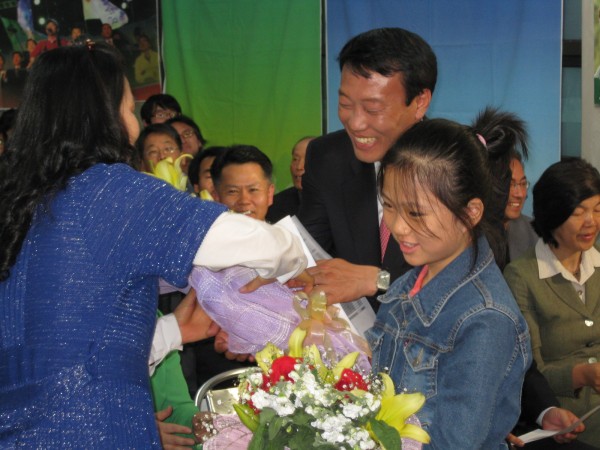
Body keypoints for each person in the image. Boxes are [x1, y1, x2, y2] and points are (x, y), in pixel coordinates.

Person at [0, 43, 310, 448]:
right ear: (107, 115)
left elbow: (73, 328)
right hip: (96, 430)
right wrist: (293, 260)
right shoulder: (112, 192)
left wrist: (177, 325)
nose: (134, 123)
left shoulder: (17, 204)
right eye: (130, 109)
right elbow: (266, 245)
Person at [366, 118, 531, 449]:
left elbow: (452, 442)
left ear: (470, 213)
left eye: (416, 213)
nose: (397, 226)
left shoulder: (486, 319)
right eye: (389, 206)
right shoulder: (409, 282)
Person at [297, 27, 436, 308]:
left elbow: (464, 278)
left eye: (373, 109)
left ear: (419, 102)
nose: (356, 123)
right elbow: (308, 256)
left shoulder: (457, 163)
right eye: (345, 104)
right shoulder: (327, 157)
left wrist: (378, 280)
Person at [504, 157, 600, 446]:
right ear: (553, 214)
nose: (591, 222)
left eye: (597, 209)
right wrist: (581, 374)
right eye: (578, 213)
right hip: (565, 425)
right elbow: (528, 372)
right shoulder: (522, 276)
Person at [211, 144, 275, 220]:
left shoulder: (283, 228)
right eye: (233, 191)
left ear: (269, 194)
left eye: (253, 190)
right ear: (216, 197)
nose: (244, 201)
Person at [266, 136, 314, 223]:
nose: (299, 167)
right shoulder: (275, 205)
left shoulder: (338, 203)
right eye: (295, 159)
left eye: (307, 159)